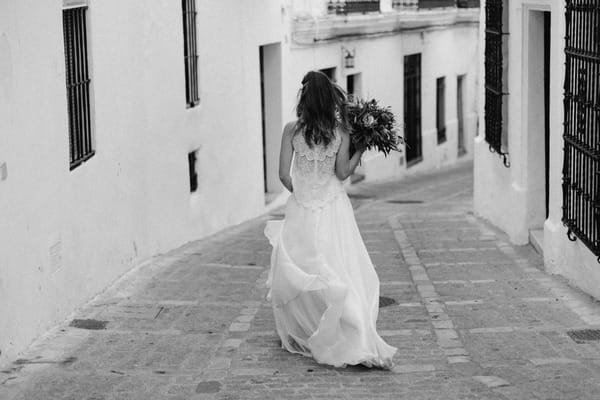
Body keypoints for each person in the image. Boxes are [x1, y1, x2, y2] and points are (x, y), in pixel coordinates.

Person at [264, 70, 397, 369]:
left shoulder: (291, 130)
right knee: (338, 265)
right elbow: (342, 173)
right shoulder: (341, 132)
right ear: (330, 99)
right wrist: (361, 148)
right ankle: (347, 326)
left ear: (305, 99)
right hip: (333, 206)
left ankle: (306, 328)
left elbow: (284, 174)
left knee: (305, 265)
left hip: (302, 206)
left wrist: (300, 194)